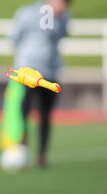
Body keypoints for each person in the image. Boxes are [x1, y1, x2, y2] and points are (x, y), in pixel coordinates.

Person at [11, 0, 70, 167]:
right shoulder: (27, 12)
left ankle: (42, 154)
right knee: (26, 104)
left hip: (51, 69)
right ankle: (23, 135)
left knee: (46, 114)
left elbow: (61, 35)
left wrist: (58, 18)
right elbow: (16, 37)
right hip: (30, 67)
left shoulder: (63, 15)